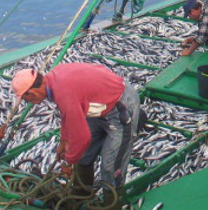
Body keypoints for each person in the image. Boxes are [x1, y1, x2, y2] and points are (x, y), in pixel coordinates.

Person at [11, 63, 140, 194]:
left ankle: (111, 203)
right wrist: (64, 141)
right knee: (83, 156)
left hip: (120, 106)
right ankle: (81, 195)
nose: (28, 102)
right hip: (98, 107)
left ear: (32, 92)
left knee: (110, 168)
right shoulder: (53, 80)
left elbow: (82, 138)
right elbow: (67, 115)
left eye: (26, 99)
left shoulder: (63, 92)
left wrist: (68, 162)